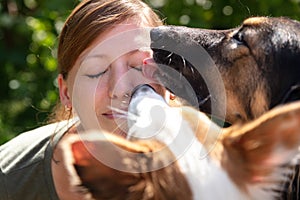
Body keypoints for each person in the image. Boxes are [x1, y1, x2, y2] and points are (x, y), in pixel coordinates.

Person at [0, 0, 178, 199]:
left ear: (172, 79)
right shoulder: (9, 180)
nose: (119, 89)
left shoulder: (212, 165)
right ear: (66, 93)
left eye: (138, 66)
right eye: (96, 71)